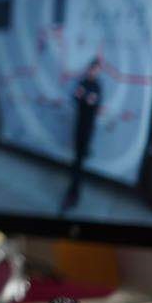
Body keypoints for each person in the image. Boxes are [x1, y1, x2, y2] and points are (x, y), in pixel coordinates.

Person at [61, 56, 105, 215]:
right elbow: (76, 98)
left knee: (79, 162)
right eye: (92, 69)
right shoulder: (83, 82)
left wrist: (84, 97)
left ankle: (73, 194)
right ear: (89, 69)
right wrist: (84, 98)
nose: (93, 72)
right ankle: (73, 192)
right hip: (79, 127)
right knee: (77, 160)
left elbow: (94, 103)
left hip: (87, 130)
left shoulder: (97, 86)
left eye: (96, 70)